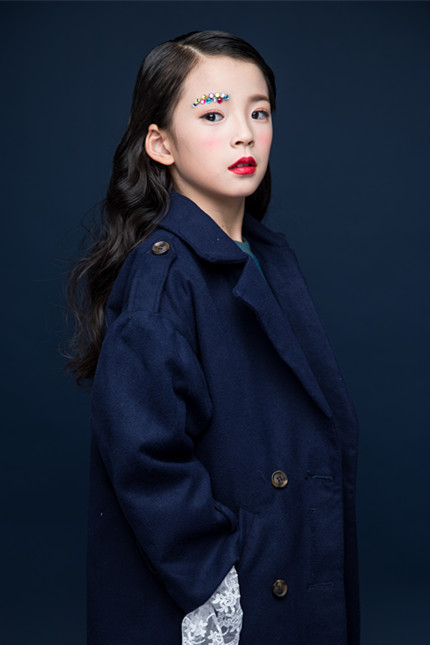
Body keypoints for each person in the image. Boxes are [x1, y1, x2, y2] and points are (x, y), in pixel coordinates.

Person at [67, 30, 360, 645]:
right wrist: (216, 579)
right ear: (160, 143)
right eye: (213, 114)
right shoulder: (162, 277)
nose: (244, 134)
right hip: (231, 591)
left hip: (290, 562)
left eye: (259, 112)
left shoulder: (267, 256)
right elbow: (144, 457)